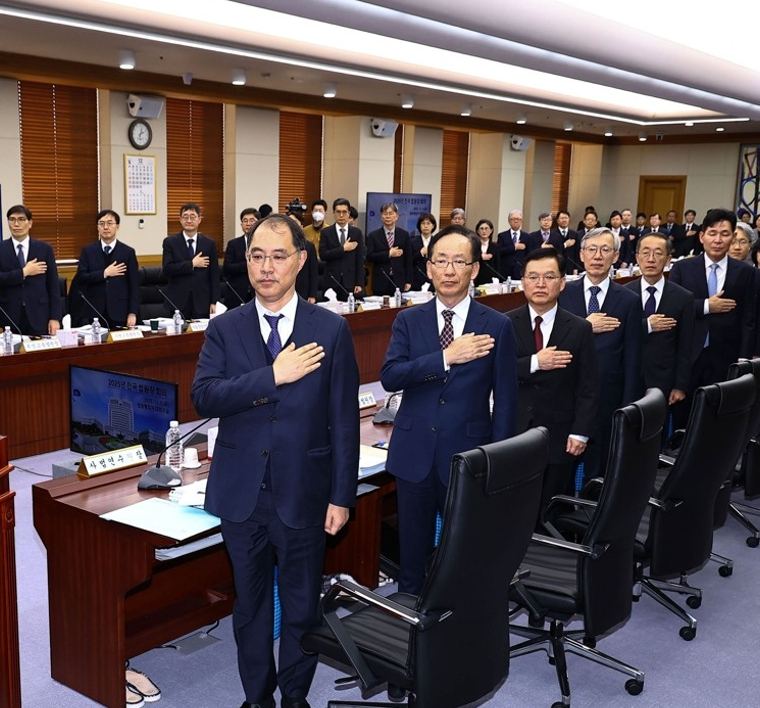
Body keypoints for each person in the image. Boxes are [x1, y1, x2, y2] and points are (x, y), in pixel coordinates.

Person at [192, 213, 359, 708]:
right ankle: (258, 698)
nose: (267, 267)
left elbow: (344, 418)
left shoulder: (329, 329)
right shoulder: (225, 327)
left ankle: (294, 698)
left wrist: (342, 495)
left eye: (278, 256)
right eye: (257, 256)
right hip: (241, 493)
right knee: (251, 608)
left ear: (301, 261)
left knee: (303, 606)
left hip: (304, 491)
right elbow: (205, 397)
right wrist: (273, 375)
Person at [380, 224, 518, 595]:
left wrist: (497, 461)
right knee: (412, 553)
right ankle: (409, 625)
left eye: (459, 261)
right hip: (413, 455)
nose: (449, 270)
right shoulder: (408, 319)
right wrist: (445, 357)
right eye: (441, 261)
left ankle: (458, 625)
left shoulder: (498, 325)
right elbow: (391, 376)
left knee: (465, 551)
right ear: (428, 268)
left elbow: (505, 400)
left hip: (468, 456)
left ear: (474, 269)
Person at [506, 248, 598, 508]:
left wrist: (581, 432)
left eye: (548, 277)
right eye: (533, 277)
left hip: (560, 435)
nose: (540, 284)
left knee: (553, 506)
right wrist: (535, 363)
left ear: (562, 283)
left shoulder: (579, 328)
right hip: (515, 432)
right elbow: (496, 373)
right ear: (522, 281)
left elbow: (588, 386)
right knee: (514, 506)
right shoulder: (505, 323)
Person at [558, 227, 642, 479]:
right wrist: (585, 325)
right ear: (581, 255)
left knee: (600, 471)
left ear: (616, 256)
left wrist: (627, 409)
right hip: (565, 395)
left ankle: (592, 514)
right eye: (592, 249)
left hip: (608, 397)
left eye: (605, 250)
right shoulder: (563, 294)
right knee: (561, 468)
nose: (597, 256)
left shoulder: (628, 300)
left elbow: (633, 358)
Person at [669, 208, 760, 423]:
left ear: (732, 237)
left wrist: (745, 359)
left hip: (726, 354)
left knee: (720, 416)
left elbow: (749, 318)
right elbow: (672, 310)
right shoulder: (682, 268)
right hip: (688, 354)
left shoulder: (745, 272)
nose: (718, 239)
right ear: (701, 237)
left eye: (725, 234)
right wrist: (706, 306)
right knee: (684, 415)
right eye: (712, 233)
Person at [628, 233, 693, 407]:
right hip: (628, 377)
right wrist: (647, 325)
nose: (651, 259)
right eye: (646, 253)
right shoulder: (623, 294)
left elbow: (686, 346)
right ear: (637, 257)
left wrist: (680, 385)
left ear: (668, 259)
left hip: (663, 379)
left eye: (658, 253)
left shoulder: (683, 297)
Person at [0, 205, 63, 336]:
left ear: (30, 223)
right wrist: (24, 272)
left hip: (40, 313)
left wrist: (55, 317)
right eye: (12, 219)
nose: (16, 224)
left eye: (21, 219)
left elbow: (53, 285)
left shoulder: (44, 248)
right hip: (10, 313)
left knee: (40, 354)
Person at [74, 209, 141, 328]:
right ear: (97, 227)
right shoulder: (88, 251)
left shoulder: (127, 252)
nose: (106, 227)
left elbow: (134, 285)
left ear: (117, 226)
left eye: (110, 223)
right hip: (94, 311)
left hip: (120, 311)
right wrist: (104, 274)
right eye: (101, 223)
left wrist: (132, 312)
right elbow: (81, 277)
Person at [162, 202, 221, 319]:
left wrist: (214, 301)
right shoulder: (170, 242)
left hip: (202, 301)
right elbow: (167, 269)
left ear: (199, 219)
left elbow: (214, 275)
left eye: (193, 217)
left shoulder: (209, 243)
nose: (189, 220)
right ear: (180, 220)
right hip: (178, 301)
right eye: (185, 217)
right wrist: (191, 264)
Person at [732, 222, 760, 355]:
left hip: (746, 345)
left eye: (743, 241)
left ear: (750, 246)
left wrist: (758, 354)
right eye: (733, 241)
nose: (737, 247)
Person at [319, 198, 365, 300]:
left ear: (349, 213)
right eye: (338, 212)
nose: (341, 215)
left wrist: (359, 283)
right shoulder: (326, 232)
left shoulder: (356, 233)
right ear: (333, 213)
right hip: (331, 281)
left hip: (350, 282)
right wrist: (343, 249)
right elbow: (323, 255)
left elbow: (359, 260)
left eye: (344, 212)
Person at [365, 202, 411, 296]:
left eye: (391, 213)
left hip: (399, 280)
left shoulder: (404, 235)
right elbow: (369, 256)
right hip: (380, 281)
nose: (388, 216)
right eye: (385, 214)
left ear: (396, 216)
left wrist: (409, 281)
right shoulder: (373, 235)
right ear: (381, 217)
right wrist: (389, 254)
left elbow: (408, 259)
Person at [222, 208, 260, 309]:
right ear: (241, 224)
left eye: (252, 220)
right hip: (237, 292)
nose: (248, 223)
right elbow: (227, 267)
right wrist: (248, 263)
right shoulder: (233, 244)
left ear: (259, 223)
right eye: (245, 221)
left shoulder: (264, 244)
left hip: (258, 291)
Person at [496, 209, 527, 279]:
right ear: (509, 221)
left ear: (521, 221)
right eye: (513, 219)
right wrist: (514, 247)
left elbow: (529, 254)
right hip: (505, 270)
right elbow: (499, 251)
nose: (516, 221)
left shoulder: (527, 237)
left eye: (518, 219)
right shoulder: (502, 236)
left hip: (521, 270)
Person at [410, 212, 437, 290]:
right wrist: (420, 253)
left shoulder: (437, 241)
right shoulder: (412, 241)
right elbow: (409, 261)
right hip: (416, 280)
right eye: (423, 223)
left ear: (433, 226)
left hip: (433, 279)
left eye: (428, 223)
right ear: (419, 226)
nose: (426, 226)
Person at [473, 218, 502, 284]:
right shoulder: (474, 245)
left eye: (486, 228)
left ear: (491, 230)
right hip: (476, 278)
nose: (484, 231)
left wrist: (497, 280)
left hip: (490, 279)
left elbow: (497, 265)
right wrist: (481, 257)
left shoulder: (495, 247)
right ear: (477, 231)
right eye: (482, 229)